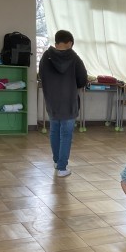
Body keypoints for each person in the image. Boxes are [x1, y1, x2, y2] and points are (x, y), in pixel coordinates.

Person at [39, 29, 88, 177]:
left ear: (56, 43)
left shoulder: (46, 57)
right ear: (70, 43)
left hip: (52, 101)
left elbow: (41, 76)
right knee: (66, 135)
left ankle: (57, 162)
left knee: (54, 131)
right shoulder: (74, 57)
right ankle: (62, 168)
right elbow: (82, 79)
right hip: (69, 101)